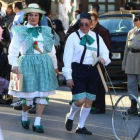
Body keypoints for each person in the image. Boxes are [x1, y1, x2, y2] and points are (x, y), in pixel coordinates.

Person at [8, 3, 58, 133]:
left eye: (36, 15)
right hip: (27, 63)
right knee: (28, 98)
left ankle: (37, 122)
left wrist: (55, 66)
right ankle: (24, 116)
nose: (33, 17)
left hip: (44, 64)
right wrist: (14, 65)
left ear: (40, 17)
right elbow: (13, 50)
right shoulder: (20, 30)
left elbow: (51, 50)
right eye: (31, 15)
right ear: (26, 17)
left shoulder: (46, 31)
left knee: (42, 95)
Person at [63, 13, 111, 135]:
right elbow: (67, 58)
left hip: (93, 71)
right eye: (81, 24)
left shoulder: (97, 37)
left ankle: (81, 126)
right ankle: (71, 115)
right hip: (78, 70)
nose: (84, 27)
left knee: (89, 101)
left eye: (86, 24)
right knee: (80, 100)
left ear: (91, 24)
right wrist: (68, 76)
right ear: (78, 24)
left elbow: (105, 52)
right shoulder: (72, 37)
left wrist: (104, 59)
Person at [89, 4, 112, 114]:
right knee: (91, 84)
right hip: (89, 62)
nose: (91, 23)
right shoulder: (87, 31)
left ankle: (100, 107)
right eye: (90, 21)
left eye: (93, 21)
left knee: (99, 86)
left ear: (97, 21)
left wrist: (102, 60)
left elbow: (107, 48)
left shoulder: (102, 31)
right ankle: (91, 105)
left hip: (99, 62)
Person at [122, 13, 140, 116]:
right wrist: (124, 64)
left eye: (136, 19)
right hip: (131, 60)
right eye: (132, 20)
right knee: (131, 85)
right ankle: (133, 107)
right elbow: (126, 50)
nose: (133, 22)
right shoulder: (130, 32)